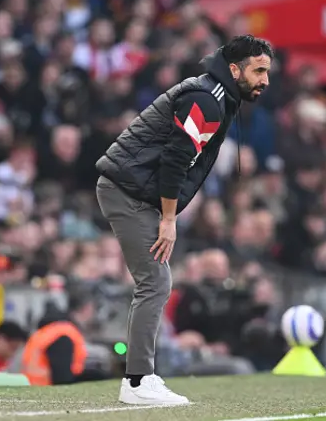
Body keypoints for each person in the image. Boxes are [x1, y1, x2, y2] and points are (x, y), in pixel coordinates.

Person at [95, 35, 273, 405]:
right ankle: (138, 382)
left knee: (157, 280)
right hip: (127, 191)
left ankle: (142, 377)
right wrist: (169, 219)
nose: (265, 80)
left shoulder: (216, 94)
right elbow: (176, 159)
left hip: (136, 191)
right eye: (258, 71)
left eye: (267, 72)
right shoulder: (207, 99)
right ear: (235, 69)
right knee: (156, 281)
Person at [20, 293, 108, 385]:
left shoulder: (51, 330)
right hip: (45, 388)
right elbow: (61, 378)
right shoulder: (63, 333)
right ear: (86, 308)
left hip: (35, 386)